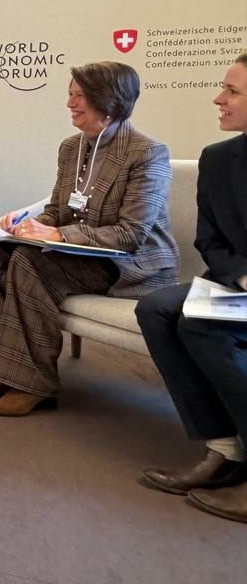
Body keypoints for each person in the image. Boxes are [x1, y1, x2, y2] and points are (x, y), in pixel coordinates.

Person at [0, 61, 178, 416]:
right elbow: (58, 209)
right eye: (70, 94)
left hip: (127, 264)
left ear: (109, 101)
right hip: (78, 253)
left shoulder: (147, 153)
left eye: (79, 96)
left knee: (29, 262)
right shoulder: (70, 148)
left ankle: (33, 384)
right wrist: (26, 227)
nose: (70, 104)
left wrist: (58, 233)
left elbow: (132, 234)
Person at [135, 52, 247, 522]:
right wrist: (242, 276)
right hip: (236, 282)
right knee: (156, 309)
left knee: (200, 325)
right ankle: (225, 447)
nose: (218, 99)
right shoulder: (218, 159)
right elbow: (209, 240)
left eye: (232, 91)